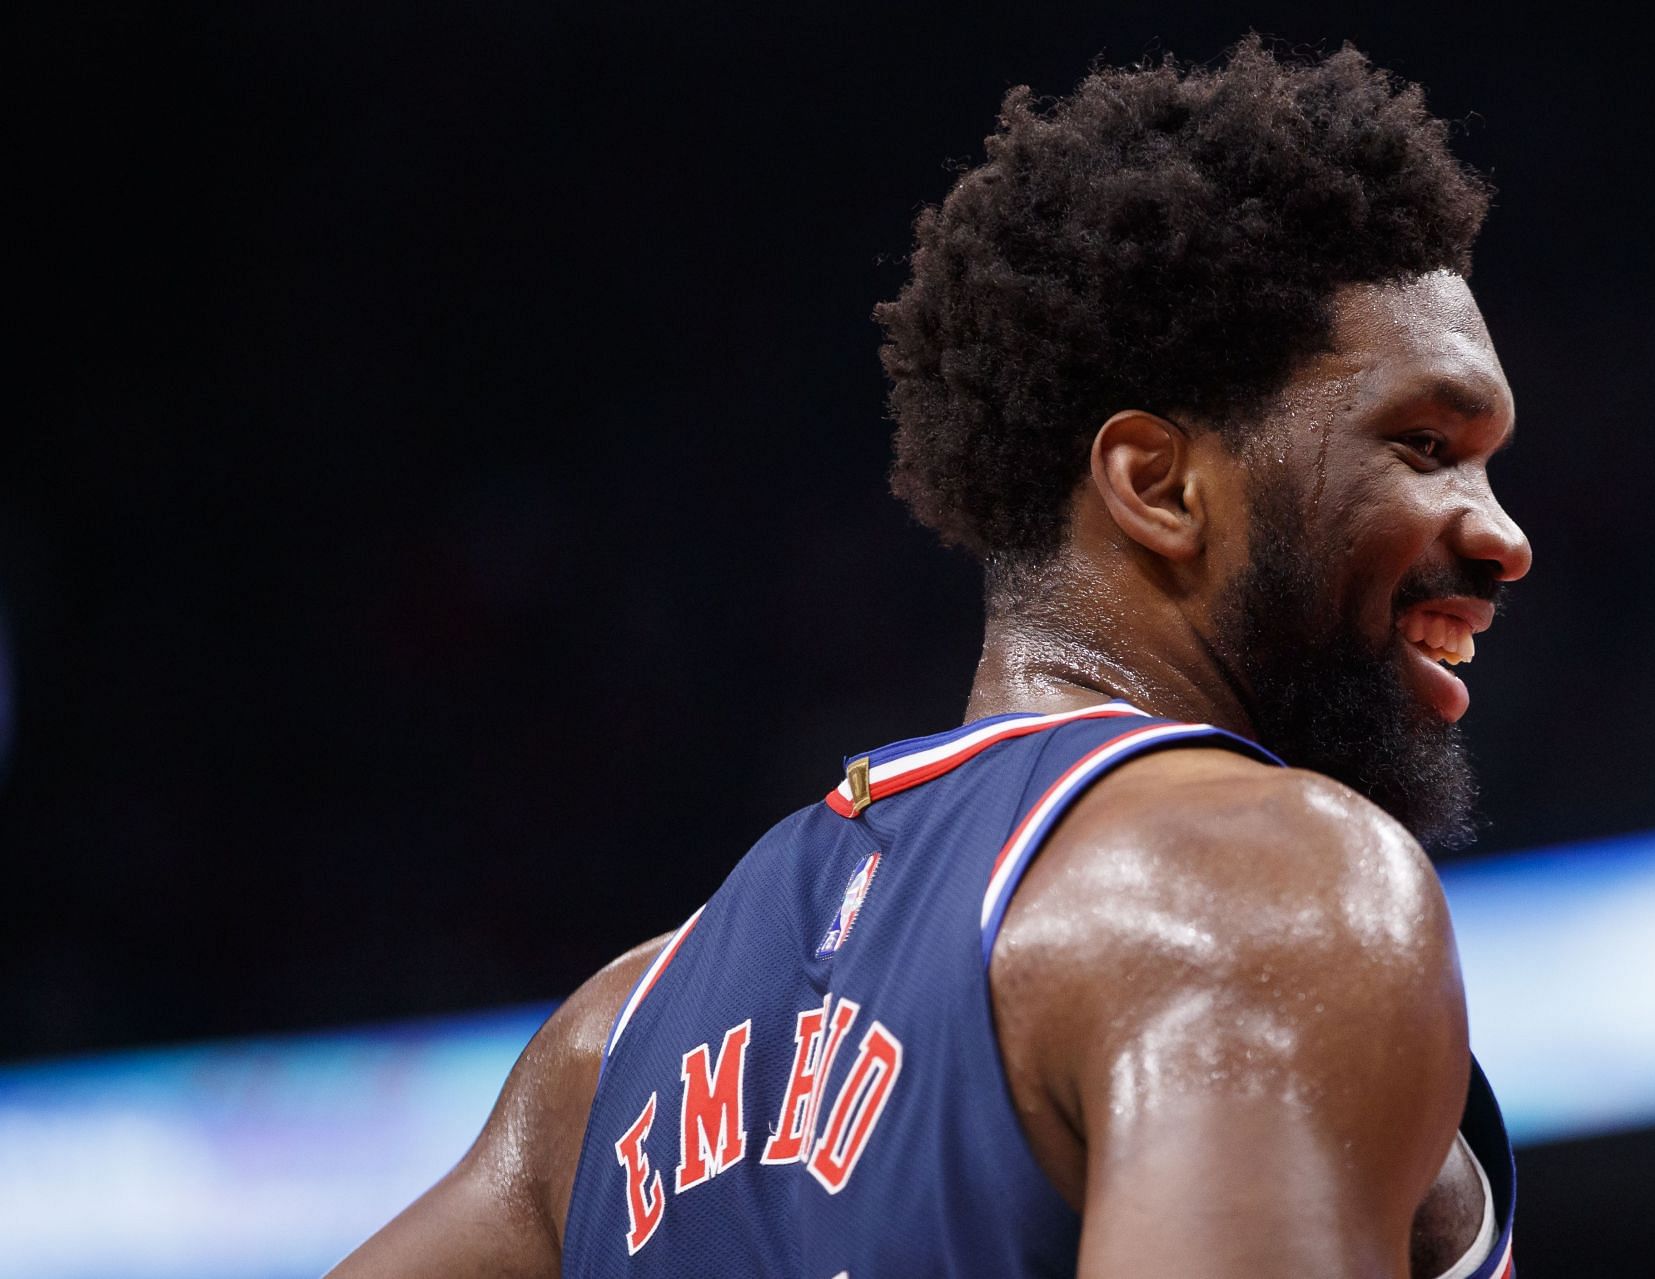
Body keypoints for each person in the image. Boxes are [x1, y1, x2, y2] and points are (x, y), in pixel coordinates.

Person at [332, 37, 1529, 1278]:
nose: (1507, 536)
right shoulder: (1273, 887)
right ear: (1158, 485)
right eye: (1429, 443)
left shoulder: (603, 1057)